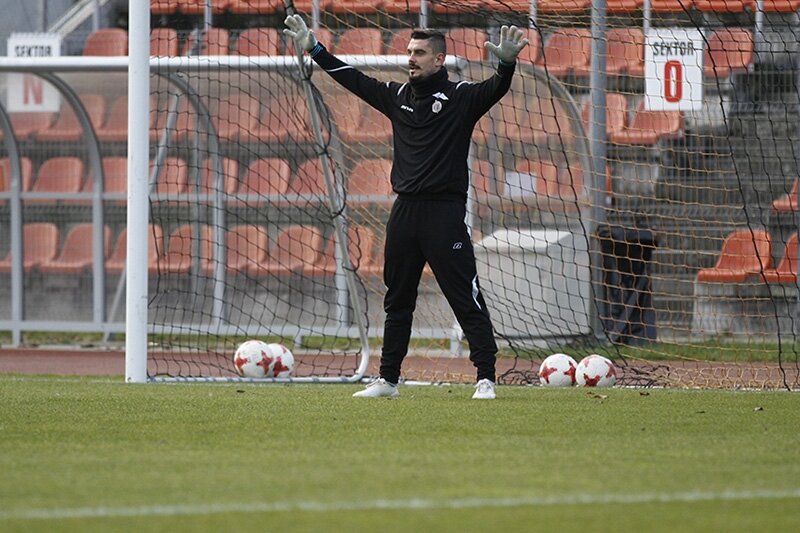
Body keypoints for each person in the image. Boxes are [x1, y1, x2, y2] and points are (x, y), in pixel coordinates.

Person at [284, 15, 528, 399]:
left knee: (464, 297)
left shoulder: (461, 97)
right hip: (404, 214)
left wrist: (506, 64)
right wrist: (315, 49)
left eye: (419, 53)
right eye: (409, 51)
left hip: (444, 214)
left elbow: (495, 88)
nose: (410, 58)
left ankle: (485, 377)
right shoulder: (397, 96)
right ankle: (388, 379)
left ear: (439, 60)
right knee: (397, 300)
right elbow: (353, 79)